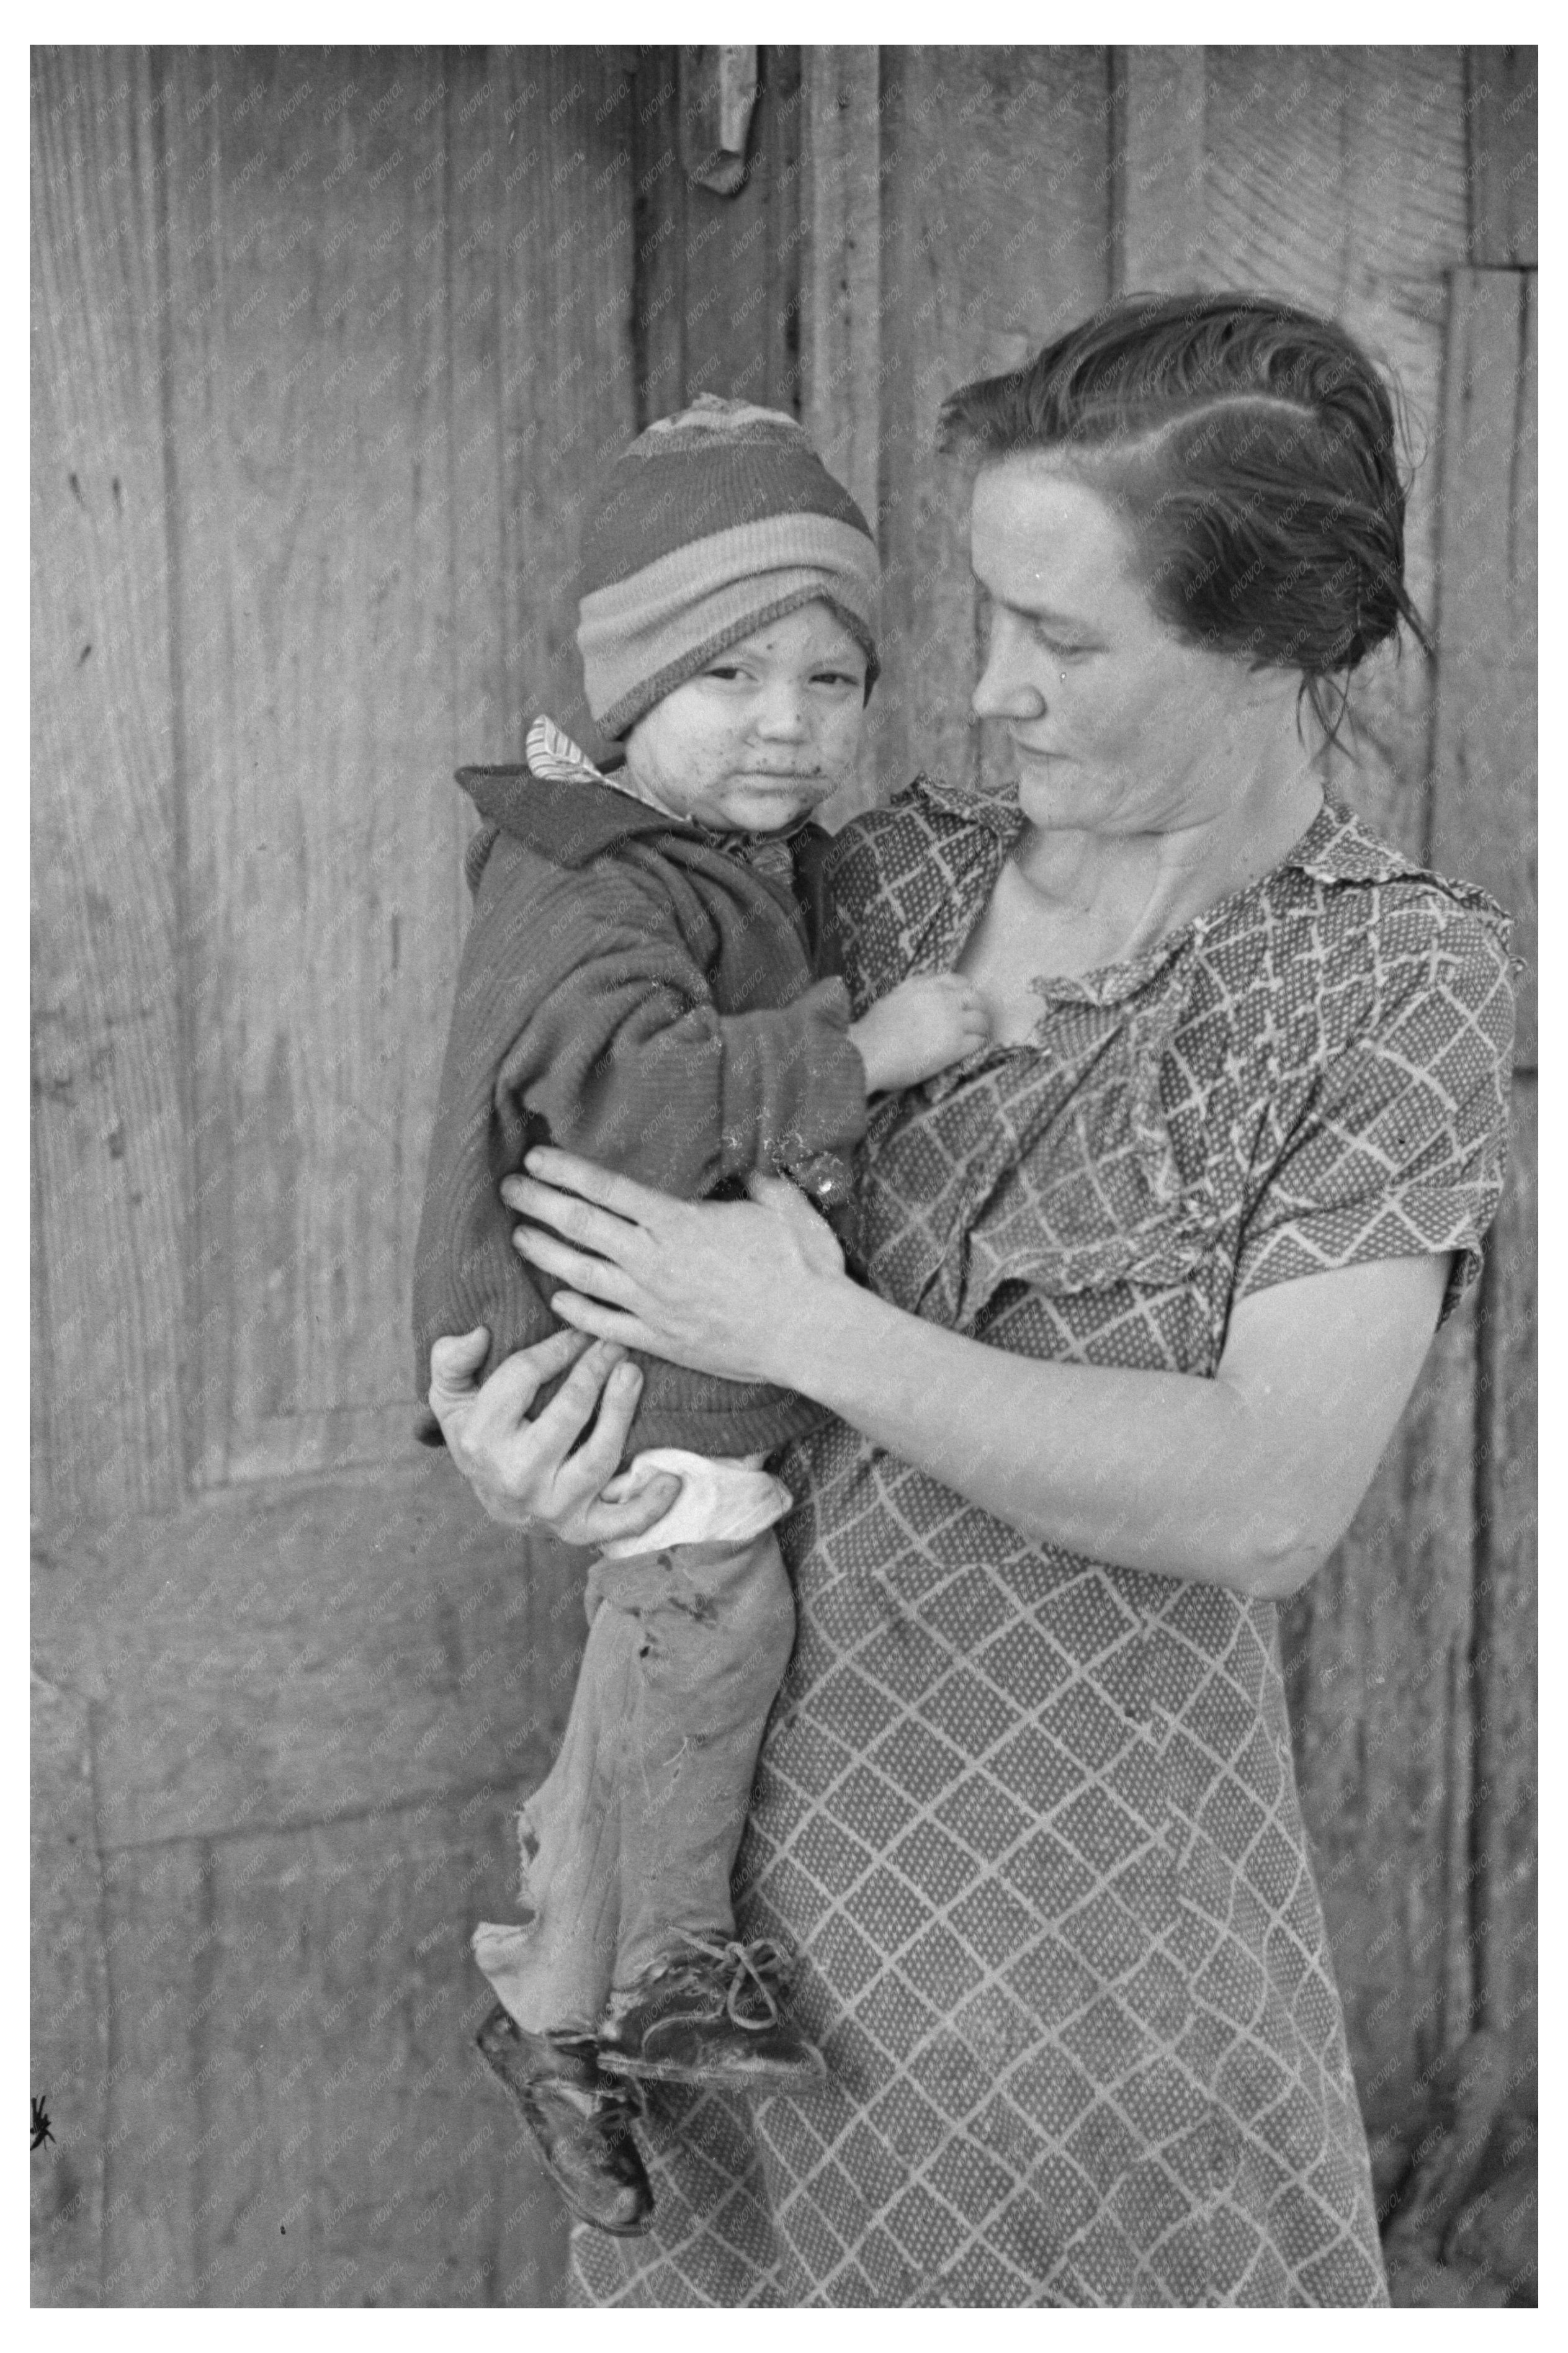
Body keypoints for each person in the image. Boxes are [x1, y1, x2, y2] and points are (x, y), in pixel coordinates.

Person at [427, 294, 1516, 2307]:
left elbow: (1267, 1494)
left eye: (1070, 640)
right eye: (987, 616)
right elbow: (583, 1171)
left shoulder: (1391, 988)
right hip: (723, 1975)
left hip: (1089, 2017)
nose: (989, 692)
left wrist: (804, 1327)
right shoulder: (857, 887)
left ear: (1273, 643)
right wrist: (536, 1438)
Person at [412, 395, 989, 2238]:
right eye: (730, 670)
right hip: (606, 1350)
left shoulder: (674, 849)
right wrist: (870, 1048)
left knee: (642, 1642)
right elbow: (644, 1106)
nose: (790, 722)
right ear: (625, 690)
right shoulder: (595, 887)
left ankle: (553, 1997)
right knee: (712, 1609)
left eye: (832, 678)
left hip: (645, 1326)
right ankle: (674, 1956)